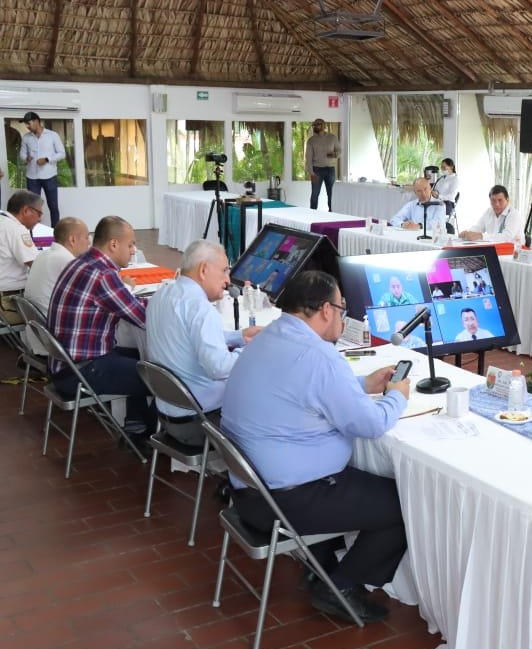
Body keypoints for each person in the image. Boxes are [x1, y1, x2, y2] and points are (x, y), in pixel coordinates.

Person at [221, 271, 411, 624]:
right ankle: (339, 585)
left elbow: (301, 389)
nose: (342, 316)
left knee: (361, 484)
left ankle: (321, 567)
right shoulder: (318, 356)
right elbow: (370, 425)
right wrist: (396, 398)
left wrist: (362, 384)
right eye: (341, 308)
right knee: (405, 505)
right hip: (285, 500)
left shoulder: (266, 339)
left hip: (248, 490)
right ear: (326, 309)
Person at [46, 215, 154, 438]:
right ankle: (152, 436)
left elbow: (128, 304)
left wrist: (160, 302)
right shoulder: (104, 274)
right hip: (80, 371)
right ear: (114, 244)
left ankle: (135, 422)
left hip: (65, 364)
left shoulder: (81, 261)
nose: (133, 250)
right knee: (162, 378)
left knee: (139, 356)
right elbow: (142, 318)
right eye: (131, 244)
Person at [145, 241, 261, 446]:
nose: (227, 280)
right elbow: (219, 368)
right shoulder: (201, 309)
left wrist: (239, 336)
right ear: (204, 269)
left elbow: (187, 337)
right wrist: (250, 351)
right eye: (225, 271)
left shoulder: (161, 296)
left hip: (167, 415)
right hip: (201, 423)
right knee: (267, 392)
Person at [21, 216, 89, 354]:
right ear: (72, 239)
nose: (89, 242)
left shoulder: (44, 255)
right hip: (55, 336)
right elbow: (93, 293)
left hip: (39, 329)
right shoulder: (65, 260)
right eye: (87, 237)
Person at [0, 190, 42, 325]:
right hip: (8, 304)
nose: (40, 219)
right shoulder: (16, 229)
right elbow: (37, 265)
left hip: (4, 300)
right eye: (39, 213)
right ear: (26, 210)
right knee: (53, 314)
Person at [19, 112, 66, 226]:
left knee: (53, 205)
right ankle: (33, 233)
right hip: (32, 177)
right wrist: (26, 158)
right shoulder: (26, 138)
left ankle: (56, 233)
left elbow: (62, 153)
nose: (27, 126)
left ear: (36, 121)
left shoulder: (52, 135)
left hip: (49, 176)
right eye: (26, 124)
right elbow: (22, 154)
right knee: (32, 208)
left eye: (28, 123)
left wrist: (47, 159)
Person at [460, 185, 524, 242]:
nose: (496, 204)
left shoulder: (514, 214)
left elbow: (507, 237)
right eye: (493, 200)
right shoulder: (489, 212)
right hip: (494, 250)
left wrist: (481, 236)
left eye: (500, 200)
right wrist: (467, 232)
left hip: (514, 252)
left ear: (507, 200)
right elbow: (478, 228)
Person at [304, 118, 340, 212]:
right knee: (315, 194)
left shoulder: (332, 137)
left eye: (317, 124)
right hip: (317, 171)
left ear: (323, 126)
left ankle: (332, 214)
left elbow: (339, 151)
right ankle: (312, 215)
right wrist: (311, 173)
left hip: (330, 170)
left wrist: (335, 154)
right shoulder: (311, 140)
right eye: (314, 125)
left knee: (332, 194)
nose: (315, 126)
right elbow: (308, 158)